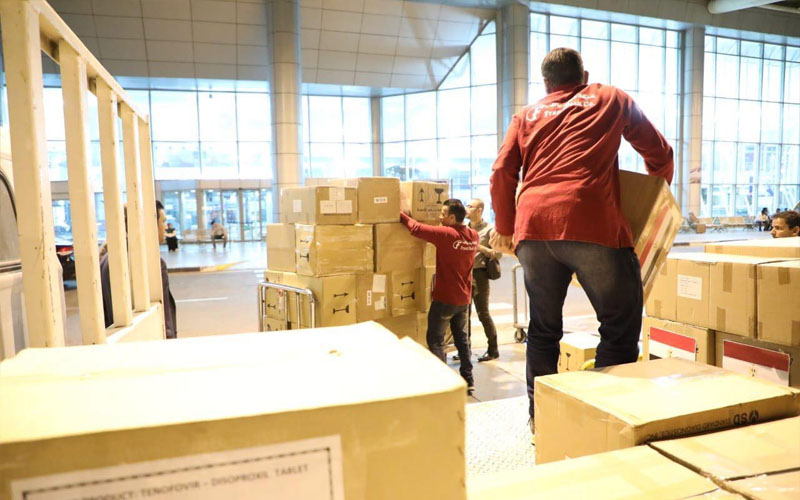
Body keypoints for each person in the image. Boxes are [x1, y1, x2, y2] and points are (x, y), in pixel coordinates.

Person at [489, 48, 674, 433]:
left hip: (533, 228)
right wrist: (655, 195)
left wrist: (504, 226)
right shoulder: (611, 97)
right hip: (591, 222)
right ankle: (604, 424)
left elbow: (503, 170)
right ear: (584, 75)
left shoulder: (526, 114)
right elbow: (658, 152)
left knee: (543, 329)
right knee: (619, 325)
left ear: (546, 83)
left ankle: (541, 422)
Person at [400, 199, 479, 393]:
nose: (439, 217)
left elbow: (416, 228)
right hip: (464, 299)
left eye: (443, 214)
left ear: (452, 217)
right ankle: (468, 379)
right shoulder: (473, 235)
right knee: (462, 339)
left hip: (445, 299)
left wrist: (398, 213)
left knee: (435, 340)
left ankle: (444, 383)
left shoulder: (447, 234)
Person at [466, 198, 501, 362]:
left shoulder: (489, 230)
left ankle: (493, 350)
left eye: (470, 206)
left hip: (479, 274)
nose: (466, 208)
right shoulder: (464, 228)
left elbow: (498, 253)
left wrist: (479, 247)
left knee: (483, 313)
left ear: (479, 210)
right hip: (463, 274)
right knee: (463, 314)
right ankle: (464, 349)